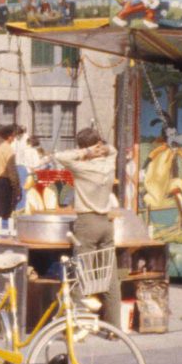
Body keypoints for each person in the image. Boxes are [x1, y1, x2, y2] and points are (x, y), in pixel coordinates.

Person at [57, 123, 122, 327]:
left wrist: (85, 152)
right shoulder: (109, 164)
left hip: (87, 223)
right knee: (110, 276)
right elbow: (114, 150)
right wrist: (103, 148)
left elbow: (59, 157)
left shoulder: (82, 167)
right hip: (106, 222)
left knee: (80, 274)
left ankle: (78, 325)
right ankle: (114, 327)